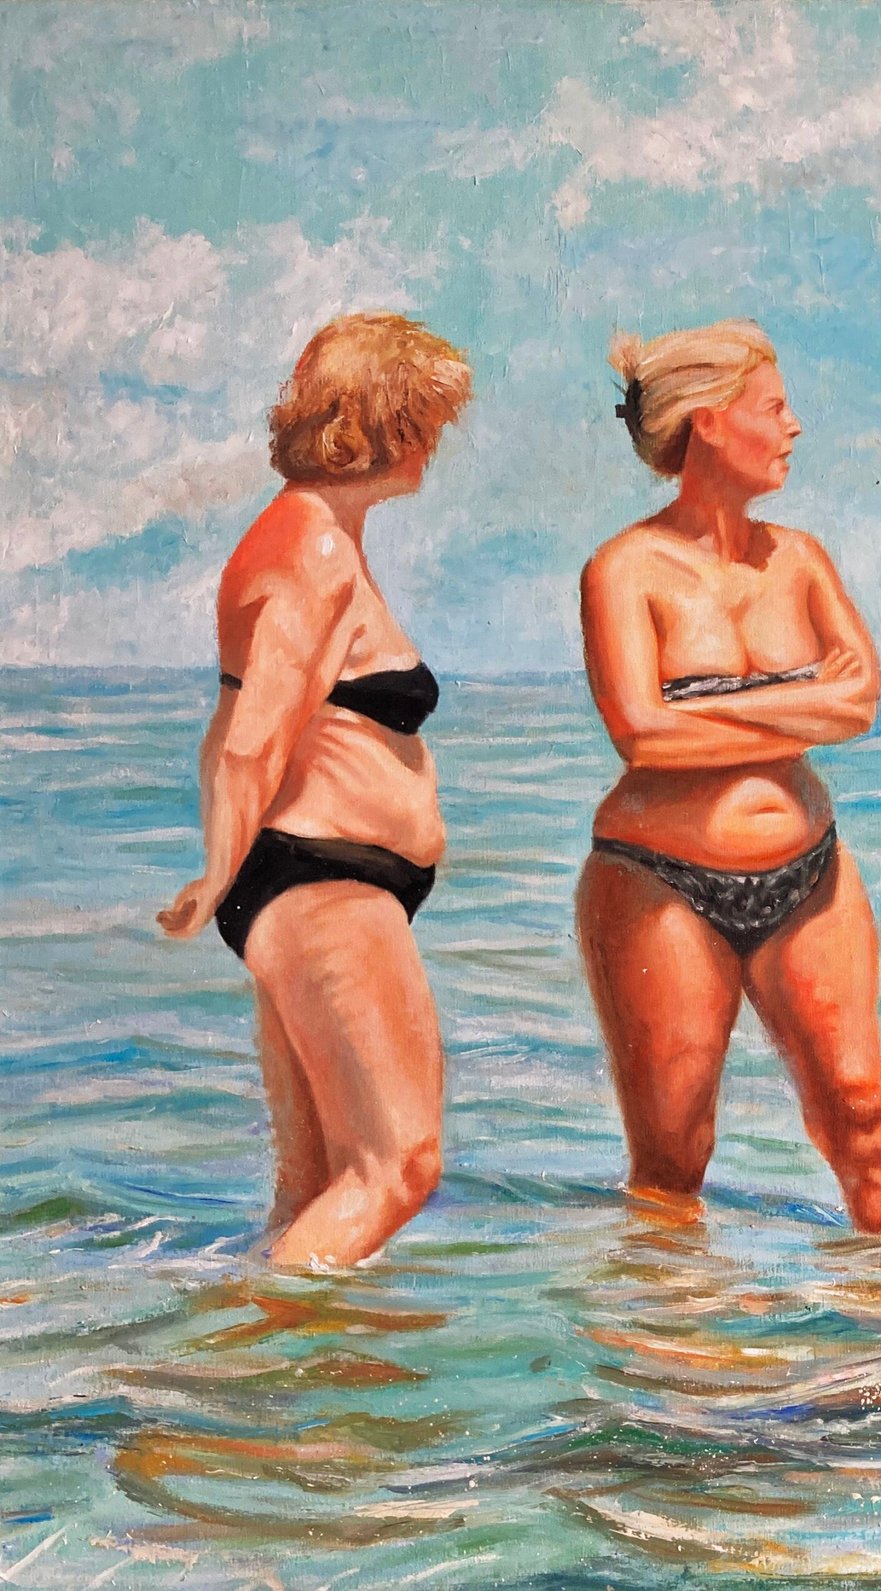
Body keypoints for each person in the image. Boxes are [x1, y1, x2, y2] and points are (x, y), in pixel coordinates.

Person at [577, 319, 881, 1235]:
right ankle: (672, 1326)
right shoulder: (624, 568)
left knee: (864, 1120)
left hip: (810, 872)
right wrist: (798, 700)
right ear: (709, 421)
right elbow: (641, 735)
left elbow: (860, 701)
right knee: (674, 1154)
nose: (794, 427)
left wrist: (709, 711)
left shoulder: (799, 558)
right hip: (658, 881)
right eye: (774, 408)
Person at [157, 311, 472, 1269]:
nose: (436, 439)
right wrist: (218, 874)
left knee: (317, 1185)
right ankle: (234, 1344)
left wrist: (229, 874)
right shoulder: (314, 548)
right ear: (379, 423)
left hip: (305, 880)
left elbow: (229, 725)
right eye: (425, 417)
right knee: (399, 1167)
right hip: (321, 879)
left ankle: (276, 1355)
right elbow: (254, 739)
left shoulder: (313, 535)